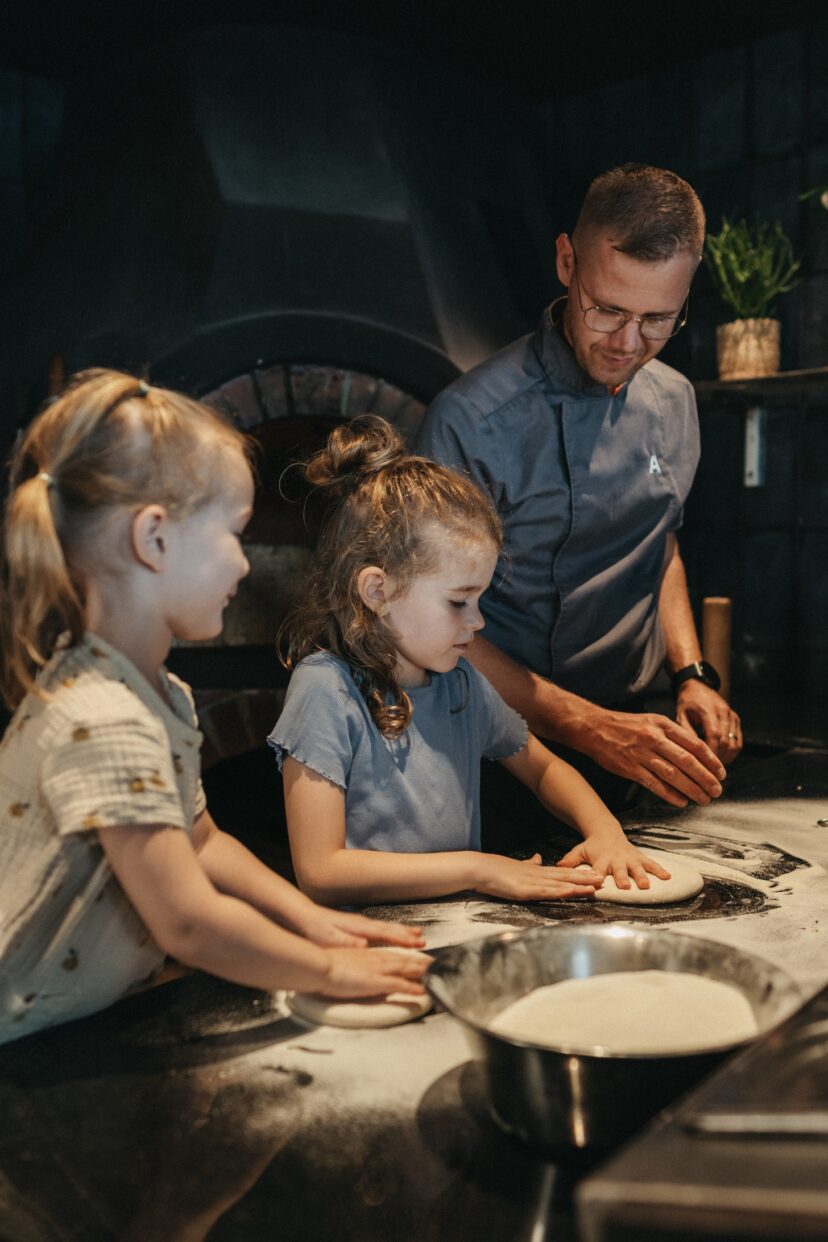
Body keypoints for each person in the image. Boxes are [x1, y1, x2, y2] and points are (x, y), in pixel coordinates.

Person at [0, 369, 428, 1045]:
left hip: (78, 1023)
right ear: (155, 539)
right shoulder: (102, 717)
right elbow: (189, 923)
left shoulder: (159, 693)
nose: (245, 563)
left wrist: (312, 921)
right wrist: (327, 971)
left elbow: (201, 842)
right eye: (234, 531)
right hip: (23, 1049)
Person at [412, 163, 742, 833]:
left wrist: (692, 673)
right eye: (607, 310)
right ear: (567, 262)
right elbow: (428, 622)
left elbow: (661, 544)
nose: (627, 344)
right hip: (499, 745)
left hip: (636, 731)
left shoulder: (675, 401)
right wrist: (590, 729)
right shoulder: (470, 421)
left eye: (658, 320)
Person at [268, 415, 669, 907]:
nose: (477, 623)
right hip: (362, 949)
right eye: (458, 602)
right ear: (378, 590)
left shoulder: (460, 683)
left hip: (452, 932)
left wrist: (605, 830)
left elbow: (544, 770)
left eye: (480, 600)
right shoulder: (325, 690)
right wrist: (481, 869)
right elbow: (321, 871)